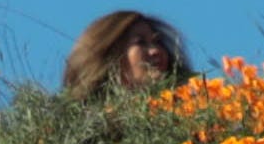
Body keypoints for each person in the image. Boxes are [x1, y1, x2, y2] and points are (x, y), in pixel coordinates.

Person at [61, 11, 193, 98]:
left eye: (157, 42)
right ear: (111, 56)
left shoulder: (192, 108)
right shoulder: (85, 126)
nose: (155, 50)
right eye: (140, 42)